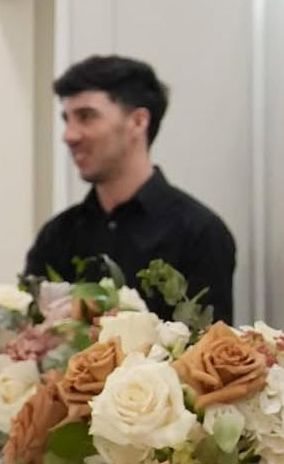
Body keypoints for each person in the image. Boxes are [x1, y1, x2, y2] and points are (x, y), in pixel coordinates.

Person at [24, 55, 236, 323]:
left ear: (138, 122)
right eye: (67, 119)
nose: (69, 135)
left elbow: (208, 354)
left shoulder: (199, 233)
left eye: (86, 117)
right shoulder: (57, 235)